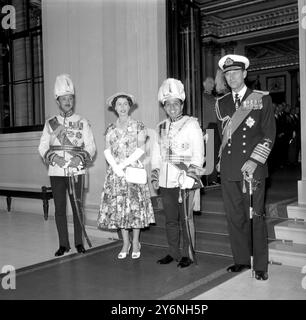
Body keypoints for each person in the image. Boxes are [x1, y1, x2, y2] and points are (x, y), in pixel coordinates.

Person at [215, 54, 276, 281]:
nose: (231, 77)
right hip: (230, 170)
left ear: (244, 74)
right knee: (235, 217)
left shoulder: (261, 99)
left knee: (256, 216)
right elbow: (221, 138)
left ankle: (260, 265)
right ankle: (241, 260)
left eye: (235, 73)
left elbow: (269, 134)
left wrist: (255, 160)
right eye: (227, 74)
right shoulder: (221, 104)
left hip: (253, 169)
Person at [39, 74, 96, 256]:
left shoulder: (83, 121)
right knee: (60, 208)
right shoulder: (50, 123)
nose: (68, 101)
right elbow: (42, 146)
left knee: (78, 207)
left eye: (70, 98)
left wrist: (80, 159)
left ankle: (79, 243)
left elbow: (91, 146)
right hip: (56, 171)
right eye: (64, 99)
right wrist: (54, 158)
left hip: (77, 170)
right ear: (58, 101)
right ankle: (63, 244)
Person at [151, 78, 204, 268]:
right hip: (166, 182)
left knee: (186, 219)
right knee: (170, 220)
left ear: (182, 104)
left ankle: (187, 254)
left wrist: (191, 177)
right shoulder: (160, 127)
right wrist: (155, 176)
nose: (172, 107)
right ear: (164, 106)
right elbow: (156, 155)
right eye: (168, 104)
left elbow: (199, 154)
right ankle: (173, 252)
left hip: (184, 180)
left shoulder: (191, 124)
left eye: (175, 103)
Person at [97, 92, 155, 259]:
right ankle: (125, 242)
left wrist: (123, 164)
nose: (122, 107)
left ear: (130, 106)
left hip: (132, 171)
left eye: (125, 104)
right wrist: (115, 167)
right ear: (114, 108)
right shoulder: (110, 128)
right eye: (119, 104)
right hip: (115, 174)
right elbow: (107, 150)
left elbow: (141, 149)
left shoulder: (138, 125)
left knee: (134, 208)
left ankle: (136, 242)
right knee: (119, 208)